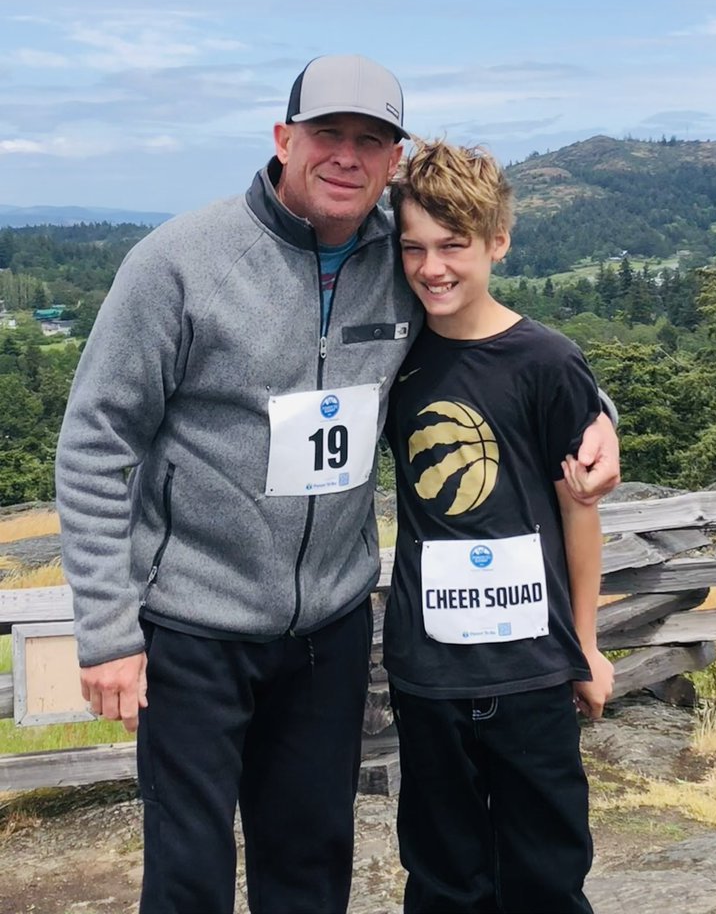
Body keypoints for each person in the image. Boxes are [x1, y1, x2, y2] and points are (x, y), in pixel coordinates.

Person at [55, 55, 620, 914]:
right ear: (284, 140)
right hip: (195, 626)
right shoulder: (177, 263)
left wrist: (598, 417)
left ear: (393, 162)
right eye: (327, 135)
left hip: (330, 630)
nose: (347, 157)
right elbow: (96, 442)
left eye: (371, 140)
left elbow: (496, 344)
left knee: (312, 865)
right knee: (190, 873)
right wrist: (106, 628)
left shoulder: (400, 256)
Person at [384, 139, 616, 914]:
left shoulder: (547, 361)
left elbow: (579, 511)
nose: (433, 267)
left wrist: (585, 644)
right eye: (413, 248)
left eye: (453, 246)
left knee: (547, 875)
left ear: (497, 243)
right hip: (429, 669)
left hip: (532, 671)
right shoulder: (394, 359)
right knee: (443, 879)